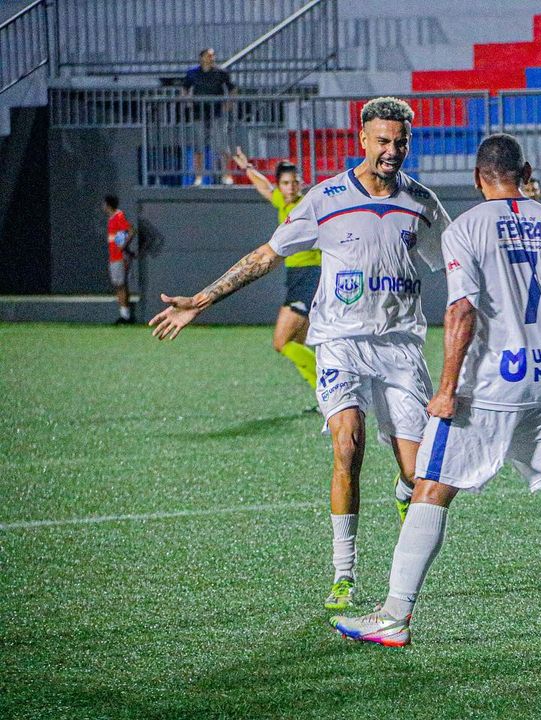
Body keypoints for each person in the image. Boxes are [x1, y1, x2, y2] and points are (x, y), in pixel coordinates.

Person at [330, 133, 541, 648]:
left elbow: (461, 311)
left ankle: (393, 616)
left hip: (490, 384)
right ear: (526, 172)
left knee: (431, 488)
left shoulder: (467, 228)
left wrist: (445, 388)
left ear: (479, 178)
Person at [149, 97, 451, 612]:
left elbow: (456, 264)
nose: (392, 151)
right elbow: (266, 256)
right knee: (347, 446)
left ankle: (403, 496)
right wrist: (202, 298)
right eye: (383, 140)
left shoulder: (421, 201)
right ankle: (344, 574)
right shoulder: (326, 197)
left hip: (401, 347)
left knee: (417, 474)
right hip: (339, 343)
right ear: (362, 139)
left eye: (400, 141)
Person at [231, 148, 319, 393]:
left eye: (295, 183)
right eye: (285, 183)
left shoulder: (307, 205)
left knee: (281, 342)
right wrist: (248, 168)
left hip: (309, 276)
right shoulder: (283, 202)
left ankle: (327, 384)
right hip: (297, 277)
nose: (290, 188)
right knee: (297, 342)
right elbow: (265, 189)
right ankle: (323, 397)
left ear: (301, 183)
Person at [182, 48, 237, 186]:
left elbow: (232, 89)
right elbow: (184, 88)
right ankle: (199, 177)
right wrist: (188, 102)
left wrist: (228, 104)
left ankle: (226, 175)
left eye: (213, 56)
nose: (211, 58)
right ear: (201, 58)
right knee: (198, 146)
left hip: (217, 112)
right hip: (198, 113)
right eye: (208, 56)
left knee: (222, 144)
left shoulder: (221, 72)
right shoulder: (192, 73)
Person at [104, 195, 135, 324]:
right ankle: (123, 314)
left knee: (121, 285)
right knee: (118, 285)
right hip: (114, 256)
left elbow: (131, 231)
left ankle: (125, 316)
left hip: (119, 257)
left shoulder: (118, 216)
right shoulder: (112, 218)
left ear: (108, 205)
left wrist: (123, 246)